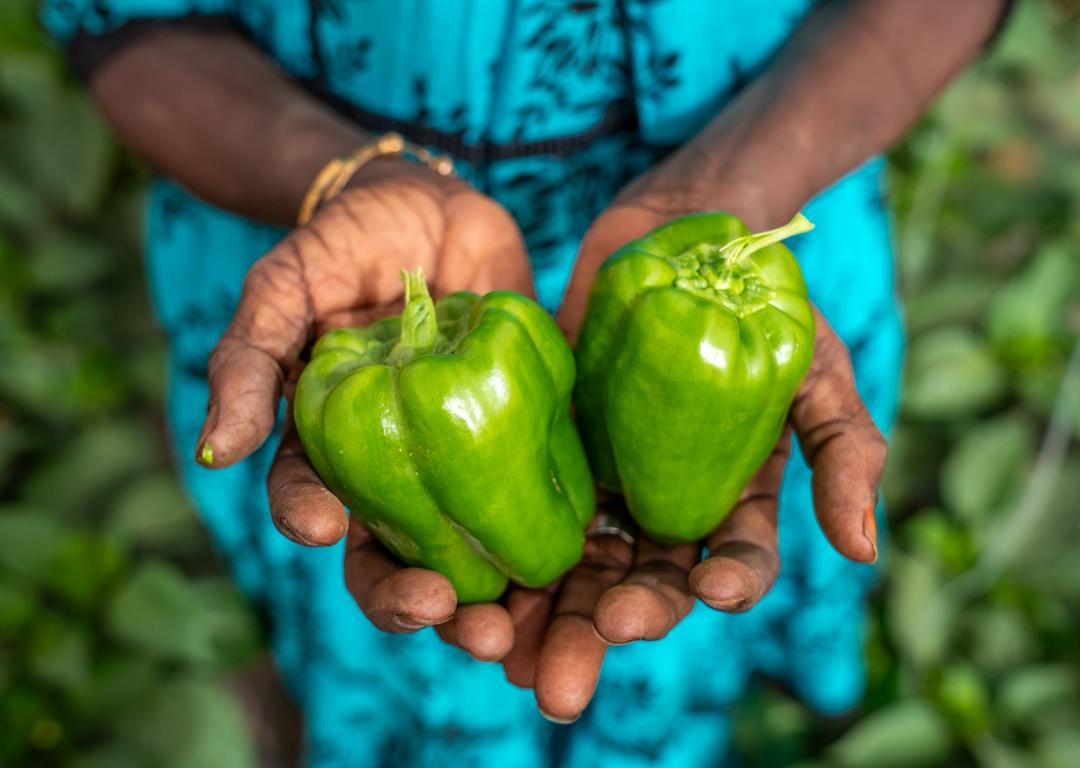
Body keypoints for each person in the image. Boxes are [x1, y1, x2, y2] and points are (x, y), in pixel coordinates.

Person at [44, 1, 1011, 765]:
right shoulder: (365, 365)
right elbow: (113, 12)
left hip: (770, 182)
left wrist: (738, 186)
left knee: (688, 604)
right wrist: (343, 178)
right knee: (376, 613)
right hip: (324, 246)